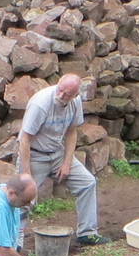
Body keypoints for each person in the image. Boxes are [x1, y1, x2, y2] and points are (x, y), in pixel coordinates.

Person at [17, 74, 105, 246]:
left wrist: (66, 163)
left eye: (66, 94)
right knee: (23, 197)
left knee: (87, 183)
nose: (61, 95)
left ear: (75, 95)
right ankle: (15, 242)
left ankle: (87, 232)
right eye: (60, 90)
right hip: (35, 154)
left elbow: (72, 132)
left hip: (57, 153)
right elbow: (25, 139)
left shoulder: (75, 102)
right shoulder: (40, 104)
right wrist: (26, 175)